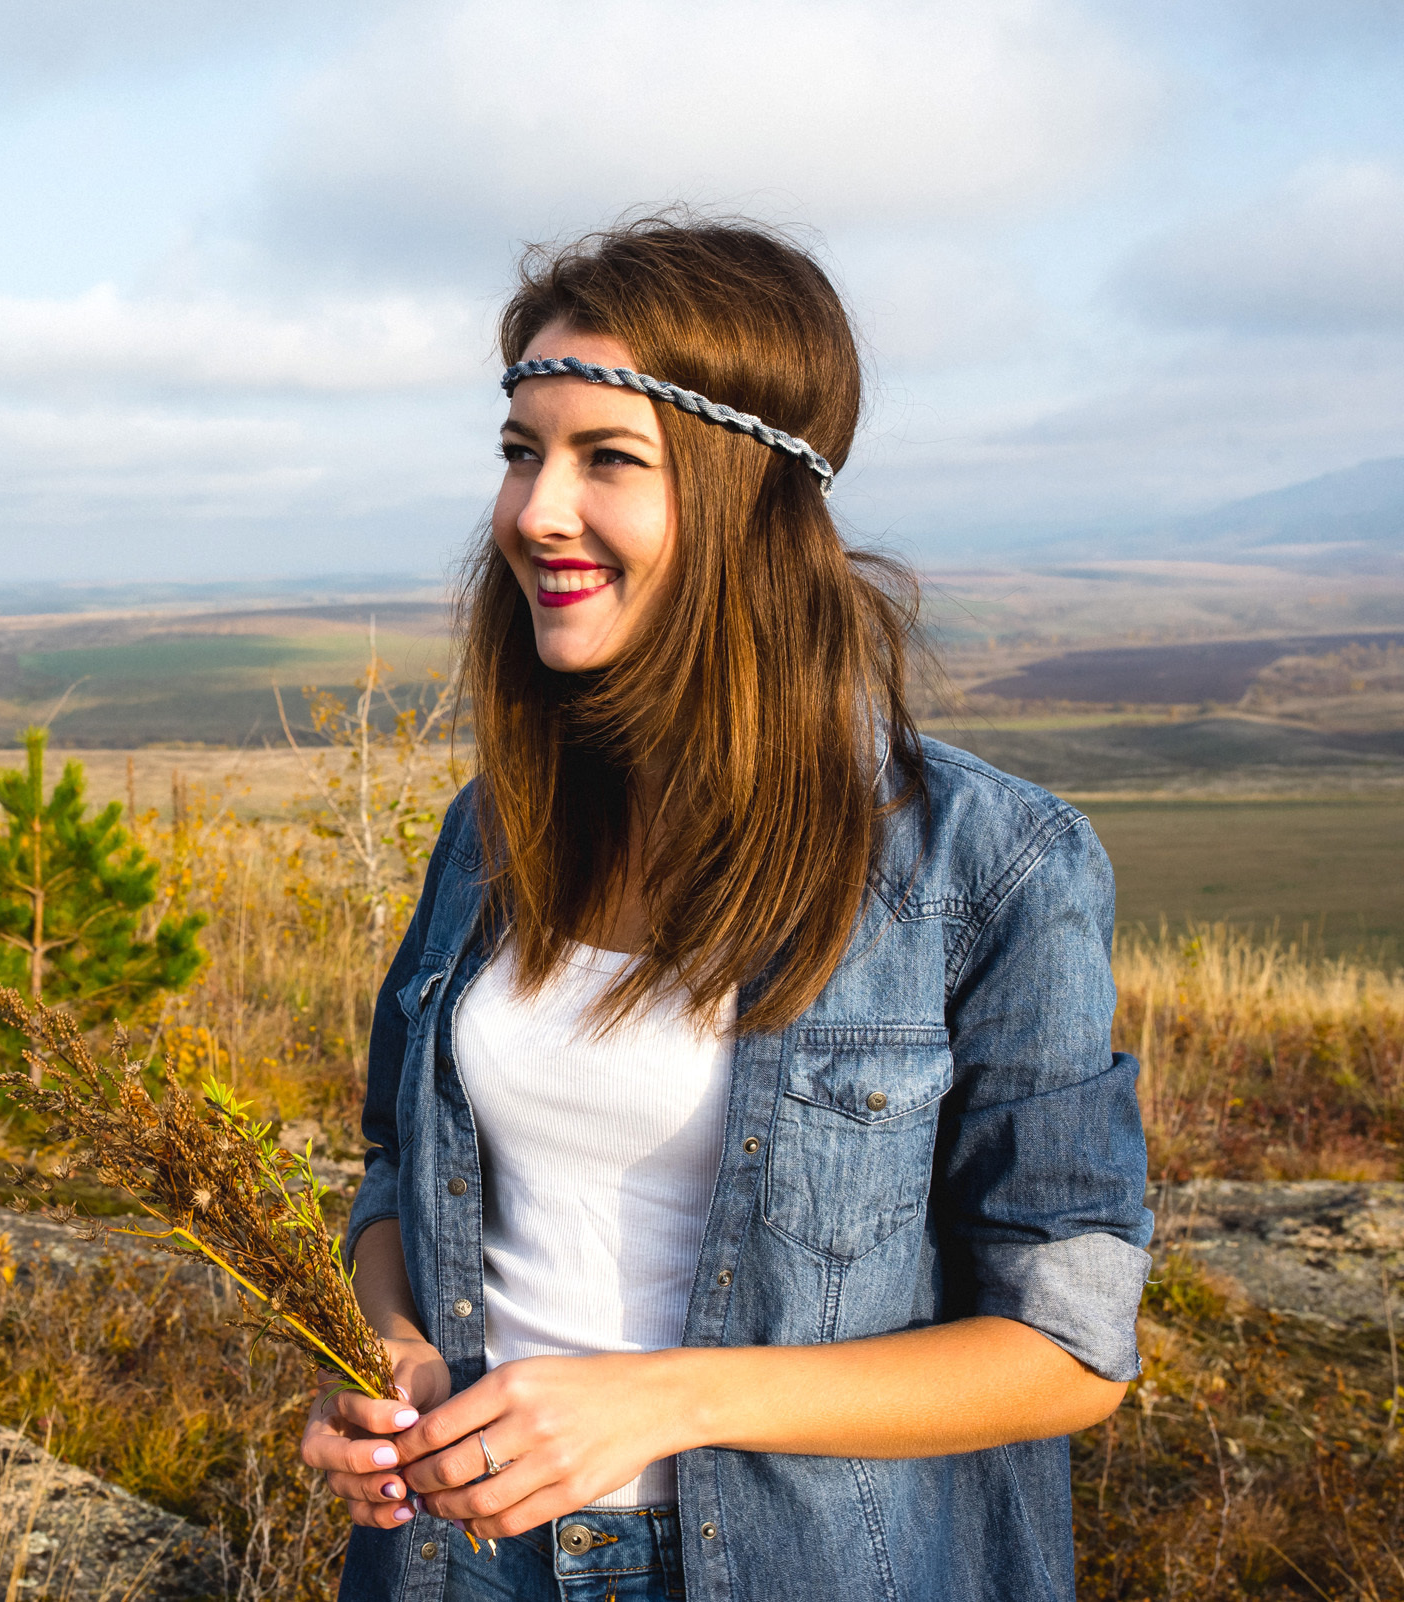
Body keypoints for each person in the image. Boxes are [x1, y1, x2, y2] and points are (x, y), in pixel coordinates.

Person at [297, 217, 1151, 1602]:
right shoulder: (494, 832)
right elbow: (399, 1174)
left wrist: (661, 1400)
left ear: (751, 490)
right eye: (521, 452)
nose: (534, 511)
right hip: (454, 1568)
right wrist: (392, 1363)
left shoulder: (988, 865)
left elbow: (1066, 1349)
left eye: (607, 458)